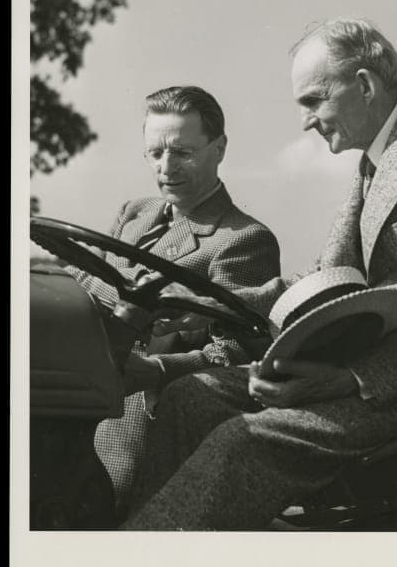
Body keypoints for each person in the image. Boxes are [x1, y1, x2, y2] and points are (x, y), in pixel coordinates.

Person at [123, 19, 397, 531]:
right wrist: (202, 302)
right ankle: (134, 548)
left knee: (246, 443)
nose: (305, 122)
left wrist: (348, 379)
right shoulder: (376, 165)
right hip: (370, 371)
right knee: (192, 396)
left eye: (312, 100)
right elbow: (322, 285)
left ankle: (146, 563)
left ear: (363, 85)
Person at [69, 85, 280, 514]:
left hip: (140, 420)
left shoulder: (241, 241)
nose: (166, 167)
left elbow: (238, 352)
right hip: (73, 390)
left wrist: (155, 369)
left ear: (219, 148)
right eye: (155, 153)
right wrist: (127, 300)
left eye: (182, 152)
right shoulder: (134, 213)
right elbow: (80, 278)